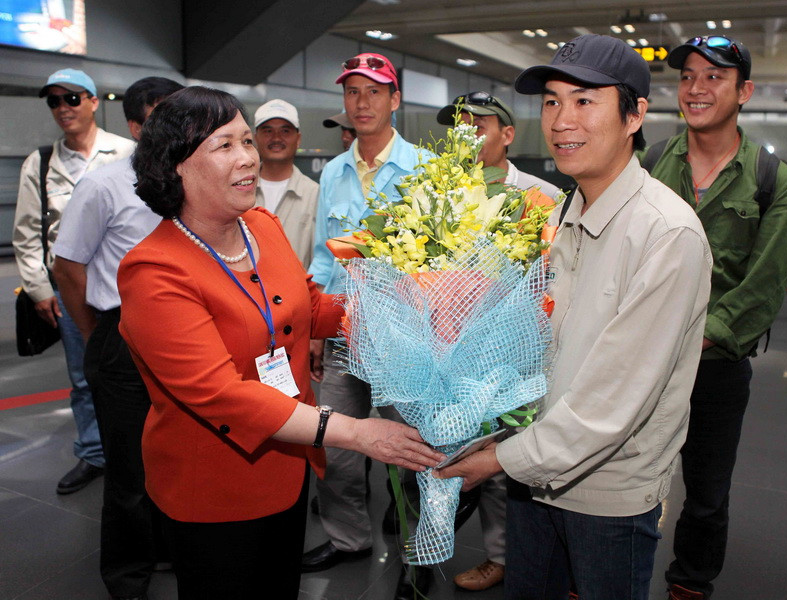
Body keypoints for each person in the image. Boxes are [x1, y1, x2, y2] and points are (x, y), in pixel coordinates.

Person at [117, 86, 443, 600]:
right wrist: (357, 433)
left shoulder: (261, 227)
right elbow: (222, 394)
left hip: (288, 464)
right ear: (177, 166)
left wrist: (407, 310)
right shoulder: (154, 271)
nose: (248, 156)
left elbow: (308, 308)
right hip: (215, 490)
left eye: (247, 140)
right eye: (225, 145)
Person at [437, 34, 713, 600]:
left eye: (584, 101)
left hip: (605, 494)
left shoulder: (666, 234)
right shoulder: (563, 210)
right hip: (532, 473)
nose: (562, 121)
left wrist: (498, 459)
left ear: (635, 115)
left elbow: (614, 400)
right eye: (552, 102)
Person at [642, 36, 787, 600]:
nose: (696, 88)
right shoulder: (649, 163)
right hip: (637, 356)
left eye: (714, 77)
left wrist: (687, 340)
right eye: (688, 76)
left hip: (715, 367)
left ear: (745, 91)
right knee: (624, 475)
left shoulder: (775, 181)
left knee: (707, 492)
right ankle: (606, 571)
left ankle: (690, 582)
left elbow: (761, 290)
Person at [303, 52, 434, 600]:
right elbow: (321, 257)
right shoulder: (333, 171)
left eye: (374, 91)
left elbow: (440, 260)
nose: (362, 102)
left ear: (395, 99)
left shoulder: (425, 169)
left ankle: (418, 554)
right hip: (341, 333)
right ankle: (348, 536)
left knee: (412, 451)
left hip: (402, 336)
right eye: (352, 91)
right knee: (336, 443)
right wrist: (316, 329)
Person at [52, 76, 184, 600]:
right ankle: (129, 576)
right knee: (129, 467)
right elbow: (68, 266)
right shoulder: (104, 184)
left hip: (184, 333)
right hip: (122, 332)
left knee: (178, 454)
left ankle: (170, 546)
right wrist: (97, 334)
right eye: (159, 119)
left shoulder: (193, 178)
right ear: (134, 127)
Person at [436, 91, 562, 591]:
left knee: (515, 457)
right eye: (459, 126)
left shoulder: (541, 196)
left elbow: (554, 274)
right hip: (451, 354)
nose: (466, 135)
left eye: (479, 125)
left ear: (508, 135)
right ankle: (459, 553)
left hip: (521, 353)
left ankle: (515, 558)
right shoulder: (439, 194)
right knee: (465, 457)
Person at [12, 68, 134, 495]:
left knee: (135, 370)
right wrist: (39, 289)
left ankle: (136, 449)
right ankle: (94, 452)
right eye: (54, 101)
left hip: (123, 288)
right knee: (85, 375)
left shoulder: (126, 153)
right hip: (71, 287)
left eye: (72, 98)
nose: (63, 108)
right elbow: (27, 233)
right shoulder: (42, 163)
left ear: (94, 102)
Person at [253, 99, 319, 269]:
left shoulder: (314, 195)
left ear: (298, 139)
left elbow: (320, 261)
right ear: (255, 138)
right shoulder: (238, 191)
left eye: (285, 131)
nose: (276, 138)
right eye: (268, 131)